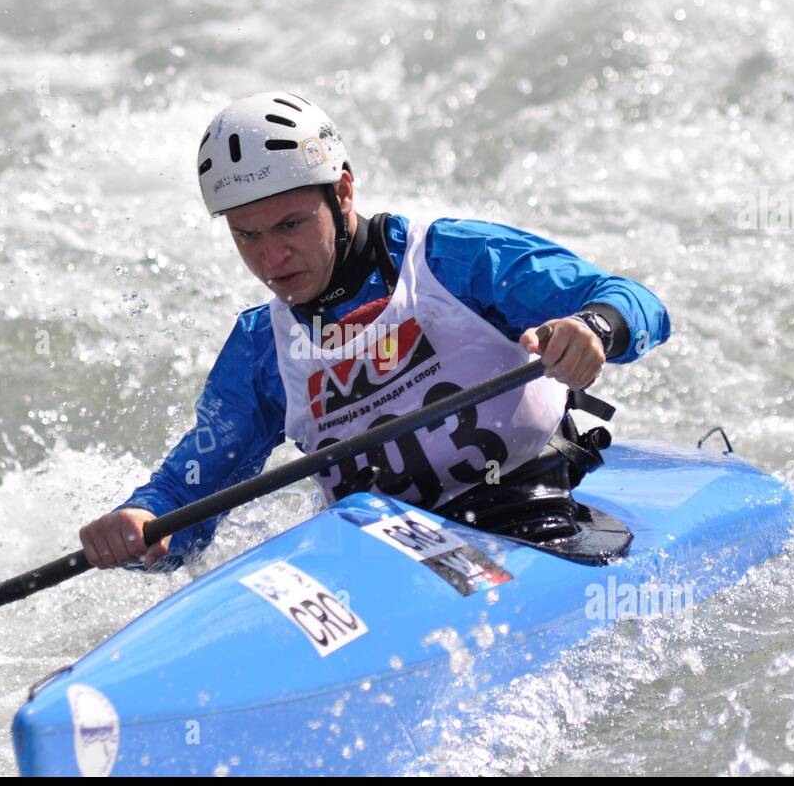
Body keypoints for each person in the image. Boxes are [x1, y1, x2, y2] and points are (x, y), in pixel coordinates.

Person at [80, 91, 671, 570]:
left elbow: (638, 303)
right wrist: (141, 524)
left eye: (290, 224)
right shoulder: (262, 350)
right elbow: (185, 506)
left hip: (527, 512)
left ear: (342, 192)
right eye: (247, 235)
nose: (271, 258)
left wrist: (594, 328)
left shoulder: (450, 261)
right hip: (381, 558)